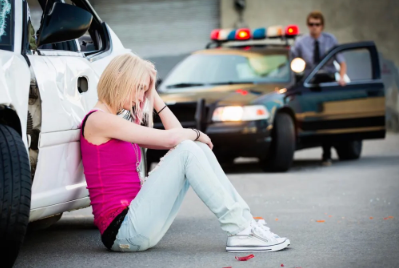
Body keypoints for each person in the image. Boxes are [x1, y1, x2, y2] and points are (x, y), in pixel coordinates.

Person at [80, 54, 290, 253]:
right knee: (190, 147)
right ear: (120, 80)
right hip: (123, 231)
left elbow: (177, 135)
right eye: (139, 89)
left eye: (144, 91)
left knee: (192, 147)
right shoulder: (99, 120)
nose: (140, 98)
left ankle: (244, 224)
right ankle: (241, 229)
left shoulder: (119, 119)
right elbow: (173, 139)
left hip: (138, 222)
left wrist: (154, 94)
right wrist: (198, 134)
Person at [291, 11, 347, 166]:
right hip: (310, 82)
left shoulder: (330, 40)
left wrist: (341, 78)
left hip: (327, 81)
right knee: (311, 117)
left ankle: (327, 153)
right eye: (310, 24)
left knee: (326, 118)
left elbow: (342, 62)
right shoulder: (301, 43)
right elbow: (292, 60)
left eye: (317, 24)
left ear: (322, 26)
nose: (314, 28)